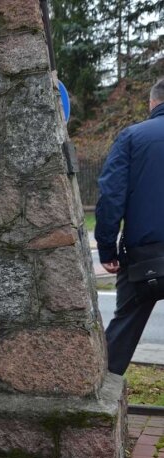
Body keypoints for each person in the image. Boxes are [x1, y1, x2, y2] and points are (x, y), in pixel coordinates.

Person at [95, 78, 164, 375]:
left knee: (123, 328)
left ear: (153, 102)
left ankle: (102, 398)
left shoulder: (133, 137)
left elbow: (111, 197)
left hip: (144, 258)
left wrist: (107, 248)